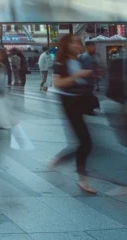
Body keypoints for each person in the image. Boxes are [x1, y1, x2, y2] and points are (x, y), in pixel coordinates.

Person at [49, 34, 98, 194]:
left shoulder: (78, 60)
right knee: (85, 142)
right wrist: (77, 76)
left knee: (83, 142)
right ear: (66, 45)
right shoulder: (60, 62)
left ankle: (59, 160)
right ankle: (82, 179)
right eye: (74, 43)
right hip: (70, 104)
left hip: (81, 102)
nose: (78, 45)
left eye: (79, 42)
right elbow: (57, 83)